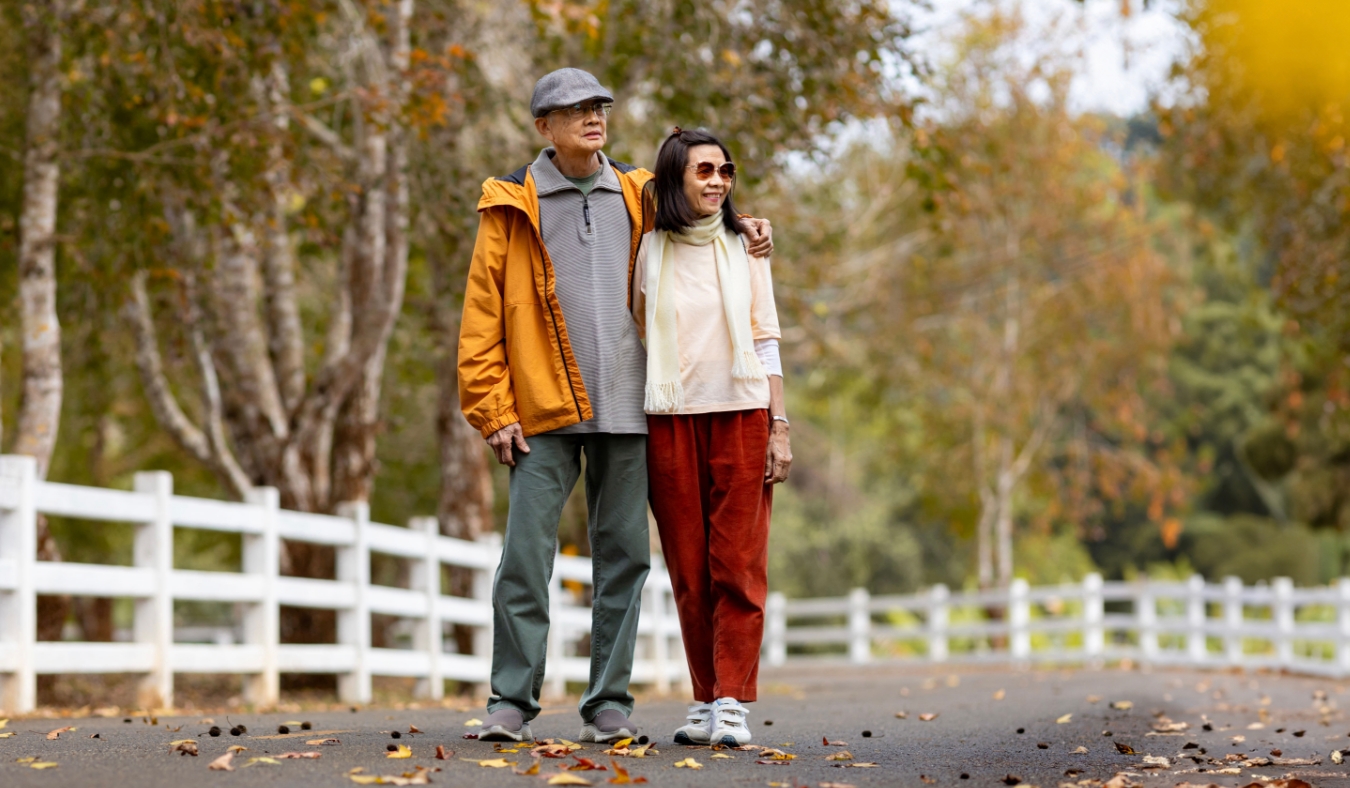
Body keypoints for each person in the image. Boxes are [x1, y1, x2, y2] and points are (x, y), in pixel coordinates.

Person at [457, 70, 773, 744]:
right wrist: (492, 408)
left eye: (600, 107)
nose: (594, 118)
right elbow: (482, 317)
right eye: (576, 110)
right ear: (544, 127)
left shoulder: (639, 193)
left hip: (632, 410)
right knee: (524, 557)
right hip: (539, 411)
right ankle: (510, 700)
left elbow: (704, 225)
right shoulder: (511, 206)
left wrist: (752, 228)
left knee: (624, 557)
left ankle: (608, 704)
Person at [631, 127, 791, 747]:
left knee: (738, 566)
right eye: (704, 171)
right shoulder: (647, 251)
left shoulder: (747, 246)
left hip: (742, 416)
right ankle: (705, 698)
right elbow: (643, 332)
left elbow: (766, 337)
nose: (718, 181)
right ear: (675, 178)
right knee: (690, 571)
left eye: (725, 170)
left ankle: (733, 701)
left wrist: (779, 425)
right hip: (669, 420)